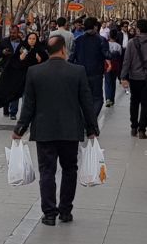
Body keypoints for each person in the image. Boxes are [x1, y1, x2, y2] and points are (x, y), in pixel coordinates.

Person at [11, 35, 99, 225]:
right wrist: (92, 128)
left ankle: (49, 213)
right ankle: (66, 211)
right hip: (70, 131)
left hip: (44, 130)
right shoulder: (77, 71)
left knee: (47, 171)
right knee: (69, 170)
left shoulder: (35, 72)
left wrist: (19, 129)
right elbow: (87, 102)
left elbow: (29, 105)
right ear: (63, 50)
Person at [120, 19, 147, 138]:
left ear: (138, 29)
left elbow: (126, 61)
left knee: (134, 102)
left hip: (134, 77)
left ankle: (134, 126)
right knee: (146, 104)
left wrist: (123, 76)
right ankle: (142, 129)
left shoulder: (131, 42)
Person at [70, 16, 110, 118]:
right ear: (95, 27)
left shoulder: (78, 40)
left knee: (82, 98)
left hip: (81, 73)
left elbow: (71, 57)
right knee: (97, 99)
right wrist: (115, 52)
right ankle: (90, 119)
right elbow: (107, 55)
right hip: (96, 73)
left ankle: (84, 119)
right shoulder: (101, 40)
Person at [0, 26, 34, 121]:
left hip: (19, 71)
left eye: (14, 33)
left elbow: (28, 55)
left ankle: (13, 112)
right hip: (7, 70)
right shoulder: (4, 42)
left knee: (15, 90)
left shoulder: (23, 43)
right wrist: (2, 52)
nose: (12, 35)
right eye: (10, 32)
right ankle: (6, 109)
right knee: (6, 90)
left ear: (18, 33)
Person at [104, 28, 123, 107]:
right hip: (115, 66)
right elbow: (120, 55)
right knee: (113, 82)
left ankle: (108, 99)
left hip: (107, 65)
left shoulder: (106, 44)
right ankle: (112, 99)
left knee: (107, 82)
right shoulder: (118, 46)